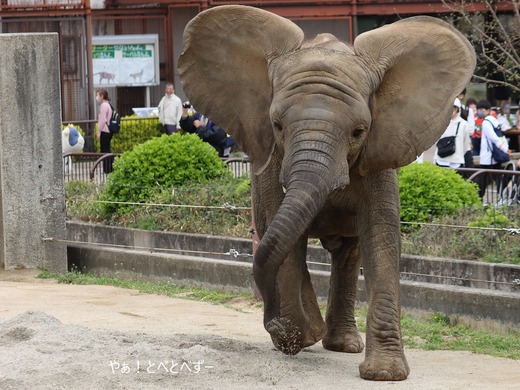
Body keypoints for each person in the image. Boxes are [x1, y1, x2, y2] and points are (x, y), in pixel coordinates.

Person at [476, 99, 511, 198]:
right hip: (495, 155)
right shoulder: (495, 121)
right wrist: (505, 148)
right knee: (498, 177)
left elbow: (493, 138)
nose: (480, 112)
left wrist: (503, 149)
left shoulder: (486, 122)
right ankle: (504, 198)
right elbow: (501, 136)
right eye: (479, 109)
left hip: (488, 156)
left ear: (488, 110)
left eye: (482, 110)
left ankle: (478, 200)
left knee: (482, 179)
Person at [434, 98, 471, 170]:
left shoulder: (464, 124)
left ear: (457, 109)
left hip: (456, 160)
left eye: (454, 107)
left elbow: (465, 144)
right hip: (441, 158)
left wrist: (459, 154)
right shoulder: (440, 122)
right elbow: (435, 140)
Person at [96, 89, 114, 174]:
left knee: (104, 151)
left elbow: (102, 120)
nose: (97, 97)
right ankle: (109, 169)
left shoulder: (103, 105)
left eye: (98, 95)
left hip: (104, 130)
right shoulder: (108, 105)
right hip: (108, 130)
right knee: (107, 150)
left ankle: (107, 170)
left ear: (102, 96)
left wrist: (99, 132)